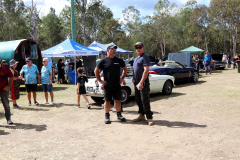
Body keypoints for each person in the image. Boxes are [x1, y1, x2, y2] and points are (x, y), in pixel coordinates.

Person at [94, 44, 127, 124]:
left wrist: (122, 78)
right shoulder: (103, 60)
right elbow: (96, 70)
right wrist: (100, 80)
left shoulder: (119, 60)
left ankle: (119, 115)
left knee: (117, 100)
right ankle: (107, 116)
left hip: (117, 84)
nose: (114, 50)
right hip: (107, 85)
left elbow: (125, 69)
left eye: (115, 49)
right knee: (107, 101)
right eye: (112, 49)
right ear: (108, 50)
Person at [132, 42, 154, 126]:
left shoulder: (145, 57)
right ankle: (141, 115)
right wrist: (133, 78)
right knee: (138, 99)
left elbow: (146, 70)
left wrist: (141, 82)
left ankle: (149, 118)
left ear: (143, 48)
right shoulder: (136, 58)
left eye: (139, 47)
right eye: (136, 48)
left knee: (145, 99)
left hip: (143, 81)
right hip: (136, 81)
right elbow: (135, 69)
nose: (138, 49)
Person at [0, 60, 14, 124]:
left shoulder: (5, 67)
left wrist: (8, 86)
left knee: (6, 104)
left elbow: (11, 76)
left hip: (4, 89)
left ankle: (8, 119)